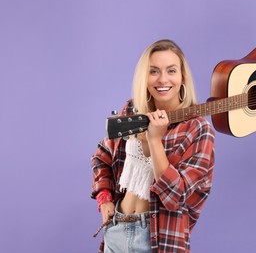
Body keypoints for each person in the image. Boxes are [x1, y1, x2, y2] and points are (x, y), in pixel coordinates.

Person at [91, 39, 215, 253]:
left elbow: (175, 197)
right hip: (116, 230)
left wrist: (155, 140)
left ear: (183, 77)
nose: (163, 79)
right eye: (154, 71)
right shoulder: (132, 110)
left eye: (171, 71)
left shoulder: (198, 130)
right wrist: (104, 197)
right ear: (144, 77)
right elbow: (102, 155)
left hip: (157, 240)